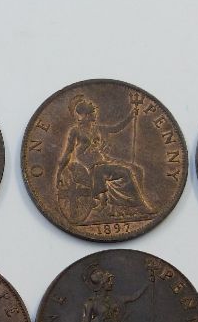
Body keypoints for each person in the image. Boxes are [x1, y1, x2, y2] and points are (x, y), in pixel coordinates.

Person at [54, 93, 155, 224]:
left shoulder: (98, 129)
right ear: (86, 115)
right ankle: (132, 206)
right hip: (90, 166)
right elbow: (68, 152)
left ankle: (127, 207)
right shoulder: (75, 131)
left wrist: (132, 115)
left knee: (137, 169)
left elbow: (116, 128)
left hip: (103, 161)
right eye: (93, 112)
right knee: (126, 172)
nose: (95, 114)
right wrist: (59, 172)